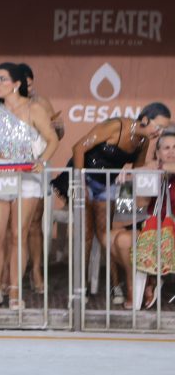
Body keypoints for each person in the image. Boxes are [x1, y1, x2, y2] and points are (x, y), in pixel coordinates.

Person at [0, 63, 59, 310]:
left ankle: (16, 290)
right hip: (0, 175)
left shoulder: (34, 108)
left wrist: (42, 161)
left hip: (27, 177)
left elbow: (52, 138)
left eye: (2, 79)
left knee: (18, 234)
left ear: (16, 84)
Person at [64, 101, 171, 304]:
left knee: (106, 234)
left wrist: (134, 175)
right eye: (159, 126)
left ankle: (116, 285)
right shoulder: (116, 126)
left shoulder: (143, 142)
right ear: (145, 119)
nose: (160, 132)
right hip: (83, 179)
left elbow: (136, 175)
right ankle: (80, 288)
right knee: (85, 236)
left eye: (164, 129)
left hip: (108, 185)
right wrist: (79, 183)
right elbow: (78, 148)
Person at [110, 129, 175, 310]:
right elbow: (123, 215)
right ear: (157, 153)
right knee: (117, 238)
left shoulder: (151, 168)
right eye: (166, 148)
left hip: (171, 232)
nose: (171, 152)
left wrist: (145, 169)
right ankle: (138, 284)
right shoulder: (146, 172)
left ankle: (152, 279)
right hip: (151, 229)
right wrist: (129, 179)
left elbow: (163, 167)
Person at [15, 62, 63, 295]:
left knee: (35, 223)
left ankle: (35, 270)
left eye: (30, 84)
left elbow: (57, 136)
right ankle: (8, 276)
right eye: (23, 84)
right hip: (12, 170)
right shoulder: (3, 105)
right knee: (11, 226)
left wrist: (57, 127)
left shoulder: (42, 103)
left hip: (37, 167)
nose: (28, 88)